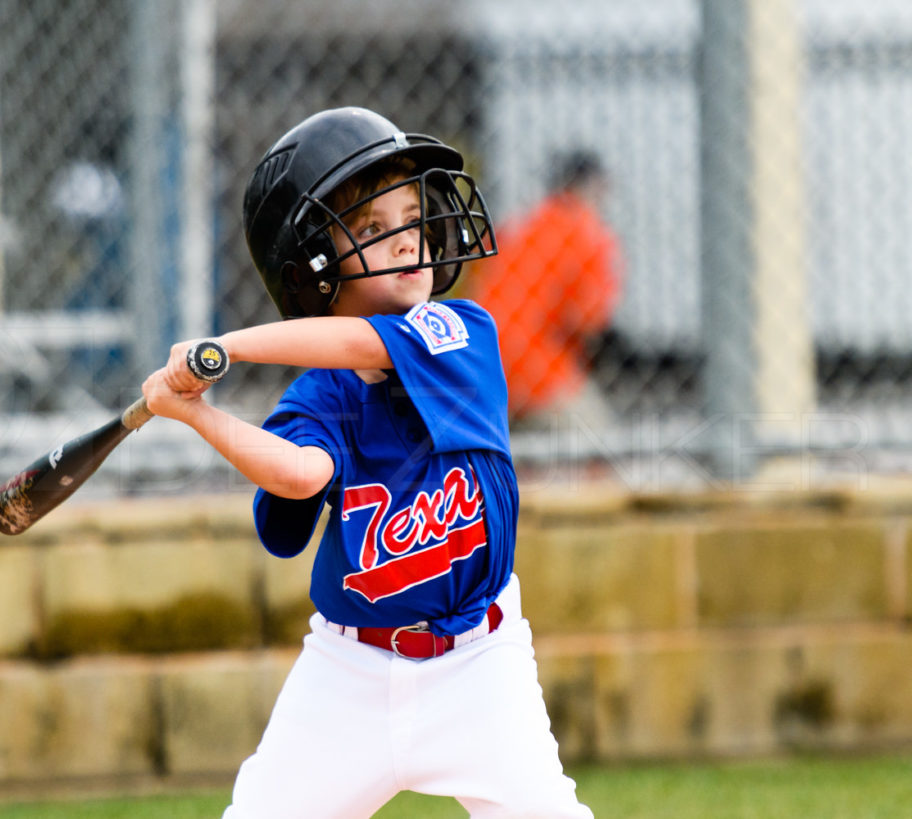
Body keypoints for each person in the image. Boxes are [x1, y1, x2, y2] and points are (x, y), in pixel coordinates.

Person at [142, 107, 594, 818]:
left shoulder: (458, 331)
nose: (407, 240)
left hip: (480, 662)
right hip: (348, 673)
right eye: (374, 228)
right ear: (313, 268)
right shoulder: (317, 394)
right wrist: (196, 412)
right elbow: (299, 474)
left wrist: (226, 346)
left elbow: (364, 345)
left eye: (412, 217)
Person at [470, 149, 622, 428]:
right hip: (536, 366)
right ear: (593, 187)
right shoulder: (587, 231)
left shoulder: (522, 222)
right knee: (604, 446)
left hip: (479, 358)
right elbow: (587, 320)